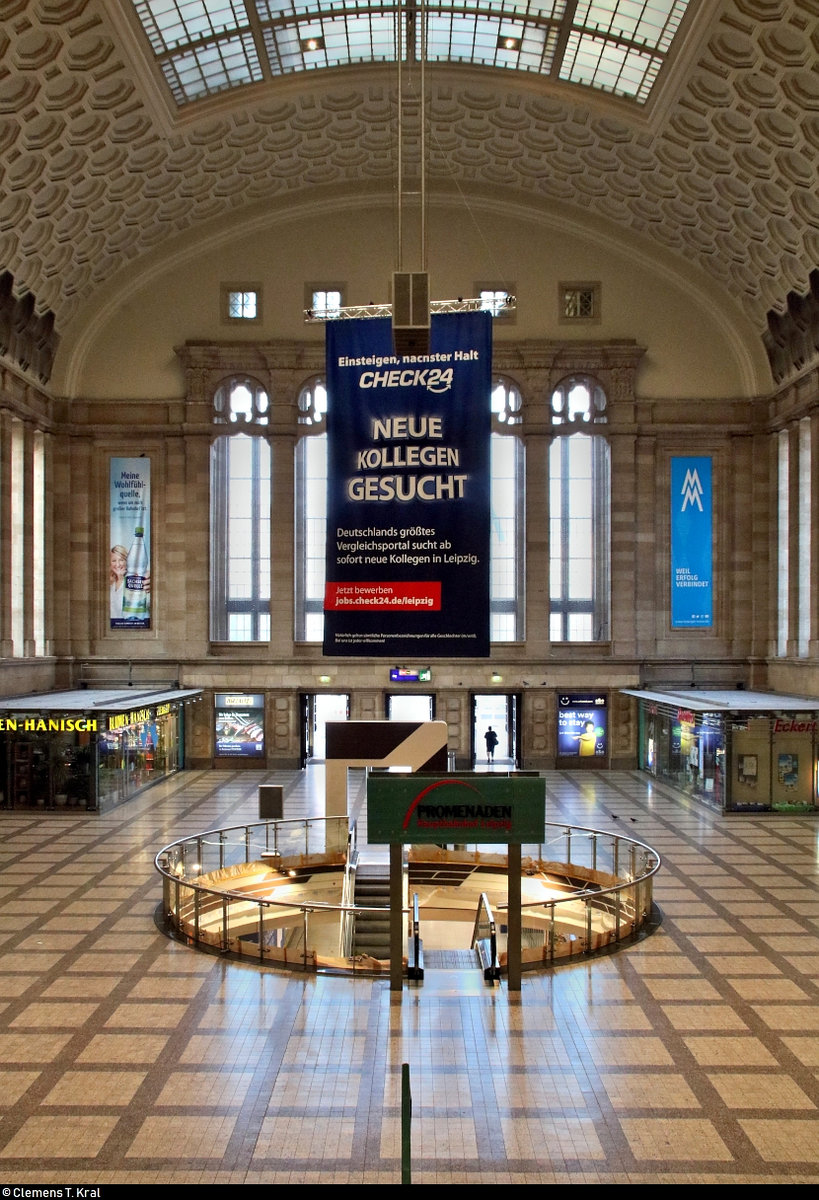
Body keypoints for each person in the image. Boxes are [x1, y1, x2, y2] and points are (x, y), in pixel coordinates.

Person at [109, 544, 128, 618]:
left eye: (121, 560)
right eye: (114, 561)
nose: (118, 564)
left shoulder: (132, 581)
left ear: (126, 561)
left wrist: (120, 578)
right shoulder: (109, 582)